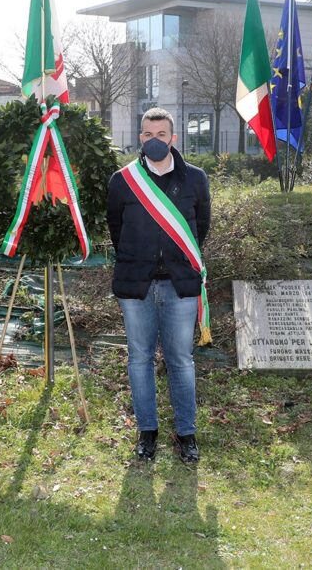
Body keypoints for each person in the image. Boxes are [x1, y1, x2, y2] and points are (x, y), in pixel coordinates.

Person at [107, 108, 211, 463]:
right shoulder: (122, 181)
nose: (155, 141)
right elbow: (116, 231)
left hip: (179, 286)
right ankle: (147, 432)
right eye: (148, 135)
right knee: (139, 360)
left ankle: (186, 433)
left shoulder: (196, 179)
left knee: (181, 360)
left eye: (162, 135)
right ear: (140, 138)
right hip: (137, 287)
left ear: (173, 138)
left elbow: (202, 230)